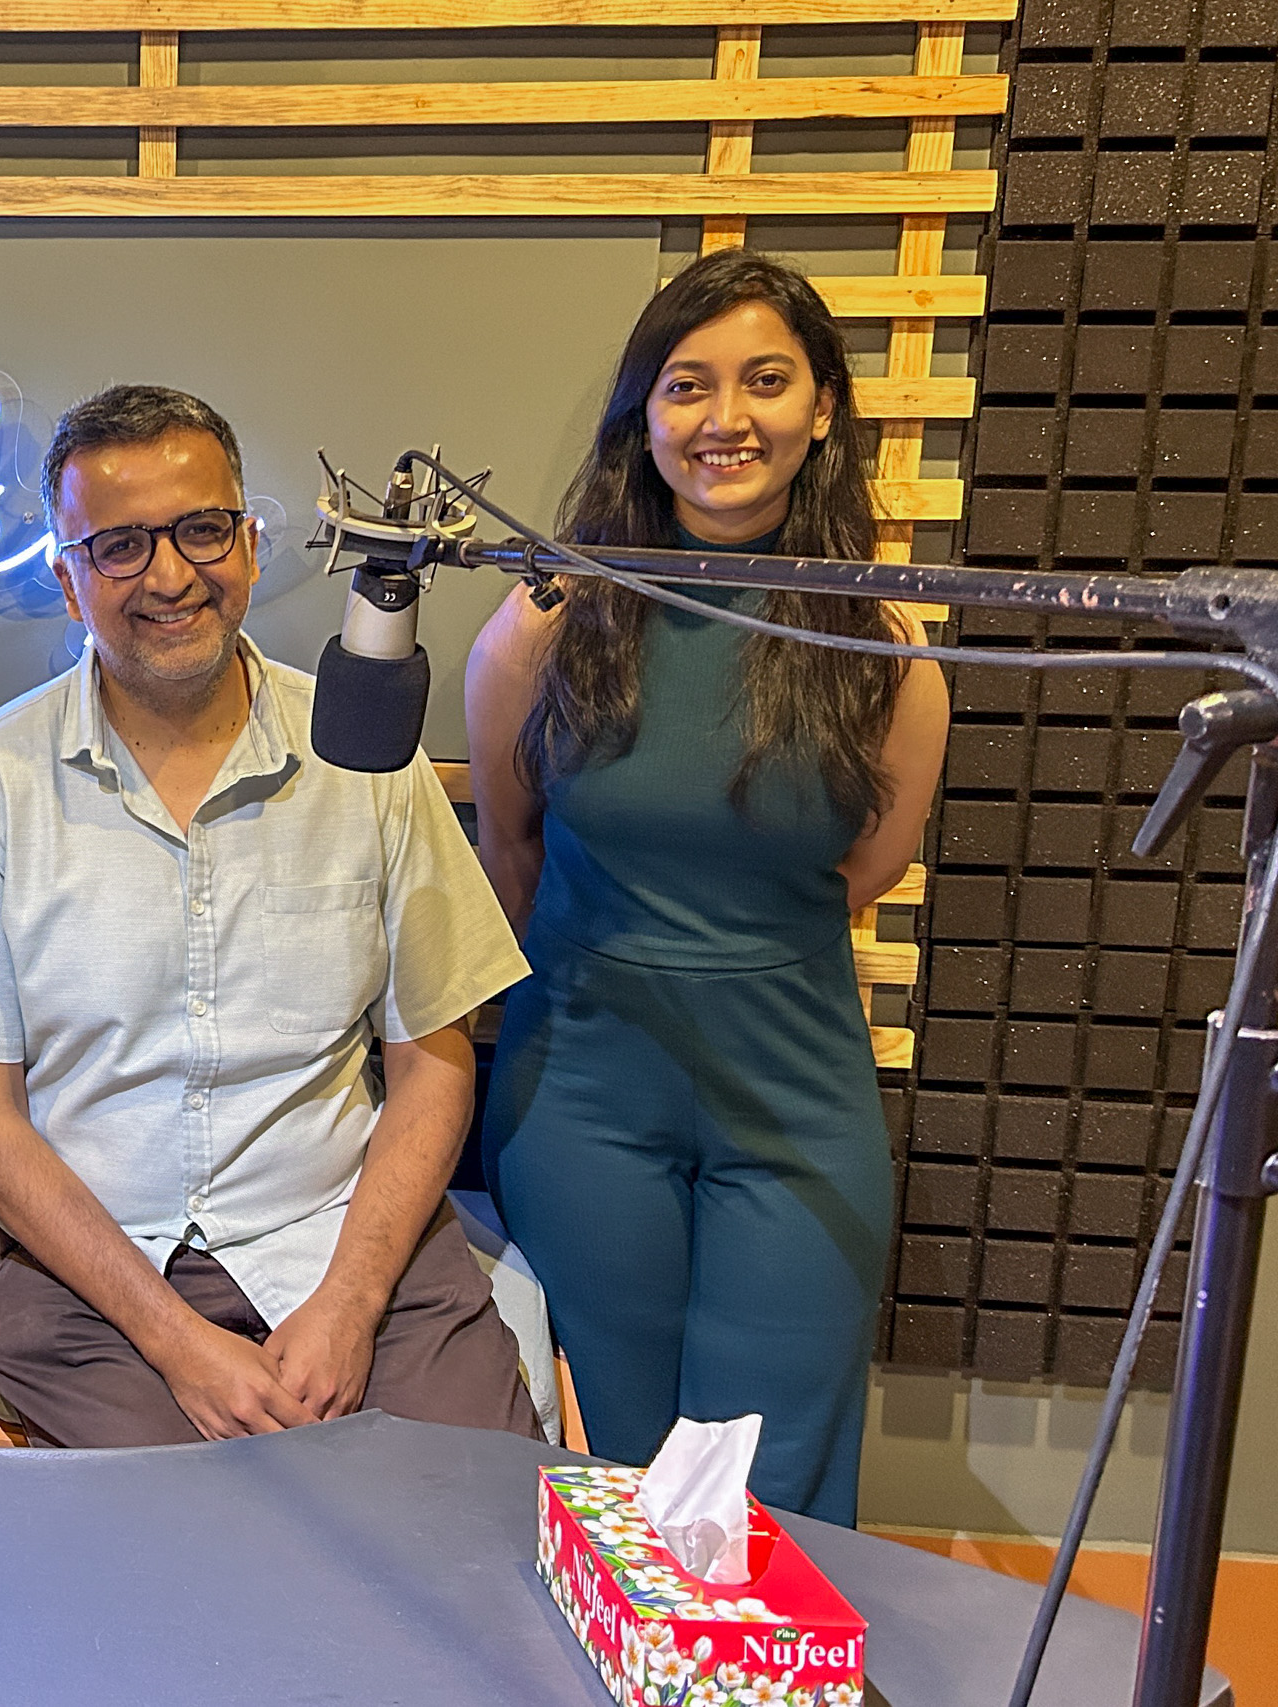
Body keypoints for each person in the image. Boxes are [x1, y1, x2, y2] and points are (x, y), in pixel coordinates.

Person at [0, 384, 541, 1448]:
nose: (169, 575)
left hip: (343, 1239)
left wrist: (345, 1308)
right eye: (118, 547)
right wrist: (175, 1342)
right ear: (67, 582)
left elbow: (432, 1060)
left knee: (470, 1524)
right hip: (90, 1277)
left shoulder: (369, 755)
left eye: (199, 531)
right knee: (186, 1564)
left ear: (245, 546)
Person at [466, 250, 950, 1525]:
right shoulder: (546, 621)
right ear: (645, 412)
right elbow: (506, 849)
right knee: (612, 1461)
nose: (724, 419)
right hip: (575, 1093)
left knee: (769, 1472)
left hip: (794, 1097)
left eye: (765, 382)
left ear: (823, 408)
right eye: (688, 385)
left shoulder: (884, 650)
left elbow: (865, 868)